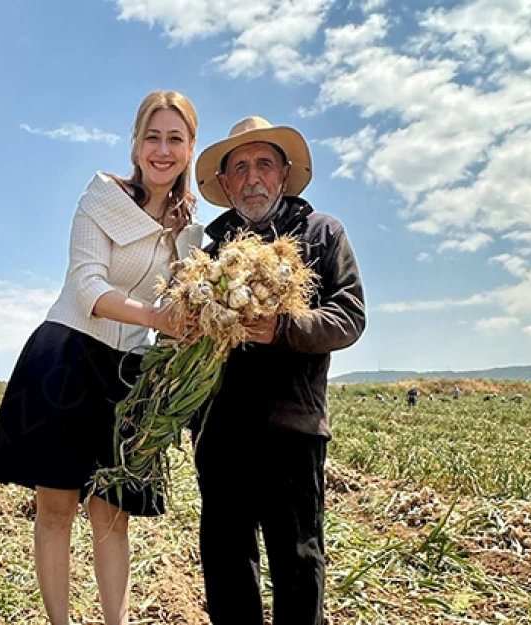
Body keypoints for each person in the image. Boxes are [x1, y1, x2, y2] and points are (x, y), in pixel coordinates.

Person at [0, 91, 203, 625]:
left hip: (128, 376)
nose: (163, 150)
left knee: (112, 515)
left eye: (175, 138)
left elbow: (188, 305)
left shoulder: (192, 231)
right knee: (57, 508)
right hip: (69, 357)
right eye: (153, 136)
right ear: (135, 144)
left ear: (191, 147)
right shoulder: (102, 197)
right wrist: (159, 318)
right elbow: (87, 287)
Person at [190, 116, 366, 624]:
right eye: (239, 167)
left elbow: (349, 316)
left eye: (263, 164)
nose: (252, 178)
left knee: (299, 559)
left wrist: (283, 327)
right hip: (221, 433)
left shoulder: (321, 234)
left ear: (284, 174)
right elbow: (181, 330)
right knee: (226, 560)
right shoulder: (208, 256)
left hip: (293, 428)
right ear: (224, 184)